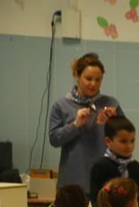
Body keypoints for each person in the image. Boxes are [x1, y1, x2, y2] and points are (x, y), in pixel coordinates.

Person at [47, 53, 125, 195]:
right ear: (76, 75)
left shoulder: (111, 104)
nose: (93, 84)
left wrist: (115, 122)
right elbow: (54, 139)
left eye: (98, 80)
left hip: (105, 180)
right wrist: (76, 124)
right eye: (88, 79)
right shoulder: (61, 105)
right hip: (73, 180)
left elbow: (126, 139)